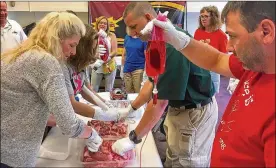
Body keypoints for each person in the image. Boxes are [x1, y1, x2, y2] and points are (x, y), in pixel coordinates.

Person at [138, 1, 275, 167]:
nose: (229, 46)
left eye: (233, 36)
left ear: (266, 32)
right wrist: (180, 41)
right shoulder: (256, 65)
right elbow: (216, 59)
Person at [112, 2, 218, 167]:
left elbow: (160, 102)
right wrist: (131, 108)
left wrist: (133, 138)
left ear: (148, 17)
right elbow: (152, 81)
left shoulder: (170, 44)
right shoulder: (154, 39)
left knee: (186, 161)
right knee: (174, 156)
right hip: (180, 108)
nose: (132, 33)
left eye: (134, 26)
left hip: (194, 111)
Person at [1, 12, 104, 167]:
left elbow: (23, 107)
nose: (74, 52)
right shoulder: (45, 61)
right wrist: (91, 134)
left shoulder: (25, 54)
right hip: (14, 154)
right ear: (56, 38)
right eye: (71, 45)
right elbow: (68, 124)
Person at [61, 24, 122, 121]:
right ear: (82, 48)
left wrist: (105, 104)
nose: (94, 53)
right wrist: (99, 114)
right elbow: (71, 103)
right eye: (92, 49)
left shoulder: (82, 64)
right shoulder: (64, 67)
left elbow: (88, 91)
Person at [194, 5, 228, 94]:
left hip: (213, 70)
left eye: (206, 16)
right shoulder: (198, 32)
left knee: (212, 95)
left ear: (213, 17)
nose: (203, 19)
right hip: (199, 68)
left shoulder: (221, 35)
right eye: (201, 16)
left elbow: (224, 56)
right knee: (198, 92)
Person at [91, 16, 118, 92]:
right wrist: (97, 56)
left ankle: (107, 103)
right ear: (97, 24)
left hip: (109, 65)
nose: (103, 25)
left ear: (107, 26)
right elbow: (90, 51)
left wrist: (107, 57)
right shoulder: (93, 36)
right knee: (94, 88)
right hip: (97, 65)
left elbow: (115, 51)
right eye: (101, 23)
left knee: (109, 89)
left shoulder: (112, 36)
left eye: (105, 23)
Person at [121, 27, 147, 93]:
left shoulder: (143, 38)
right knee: (128, 92)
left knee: (138, 92)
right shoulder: (127, 37)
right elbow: (124, 54)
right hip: (127, 68)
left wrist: (146, 70)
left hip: (138, 69)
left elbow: (146, 55)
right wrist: (122, 67)